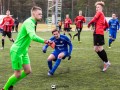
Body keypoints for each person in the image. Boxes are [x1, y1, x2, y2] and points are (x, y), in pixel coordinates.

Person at [1, 6, 52, 90]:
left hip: (23, 51)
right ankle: (5, 88)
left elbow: (26, 36)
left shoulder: (32, 22)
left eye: (41, 14)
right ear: (33, 13)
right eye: (39, 14)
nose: (41, 15)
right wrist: (46, 41)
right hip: (17, 50)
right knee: (17, 74)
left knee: (27, 71)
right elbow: (33, 36)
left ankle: (11, 84)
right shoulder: (29, 22)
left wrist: (27, 44)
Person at [88, 1, 111, 72]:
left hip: (98, 33)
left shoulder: (100, 13)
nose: (96, 8)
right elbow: (107, 25)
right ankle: (106, 62)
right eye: (96, 7)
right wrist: (102, 27)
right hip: (96, 33)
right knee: (96, 49)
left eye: (98, 7)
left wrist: (89, 23)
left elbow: (94, 19)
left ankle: (106, 62)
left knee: (100, 48)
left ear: (101, 8)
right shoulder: (102, 15)